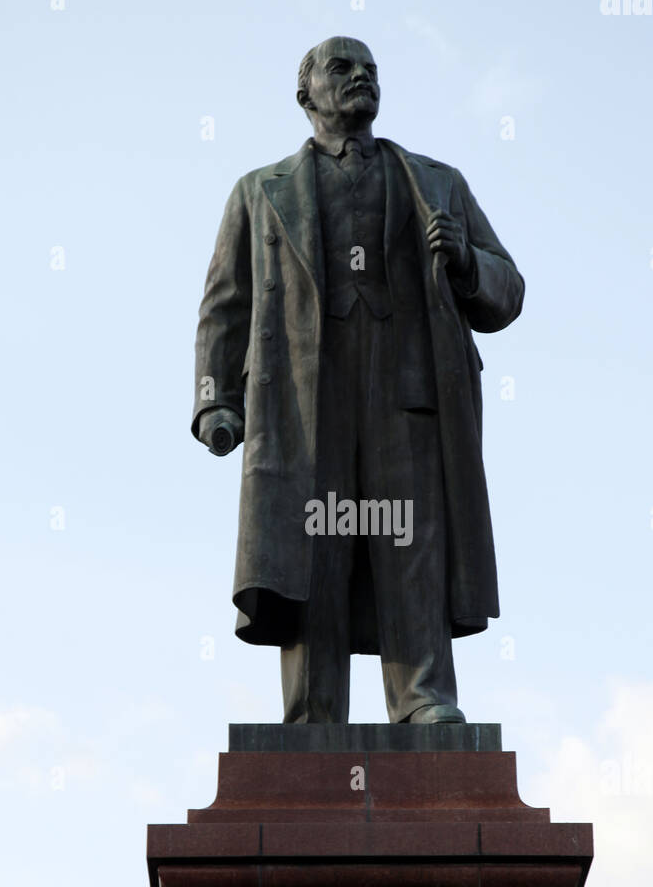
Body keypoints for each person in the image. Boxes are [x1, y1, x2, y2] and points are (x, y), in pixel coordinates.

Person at [193, 37, 524, 724]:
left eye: (370, 70)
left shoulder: (436, 183)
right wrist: (214, 401)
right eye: (341, 69)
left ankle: (424, 698)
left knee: (412, 544)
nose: (360, 78)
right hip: (303, 400)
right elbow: (226, 305)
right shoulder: (259, 192)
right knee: (314, 544)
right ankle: (314, 715)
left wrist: (465, 261)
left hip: (410, 395)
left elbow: (508, 290)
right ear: (305, 94)